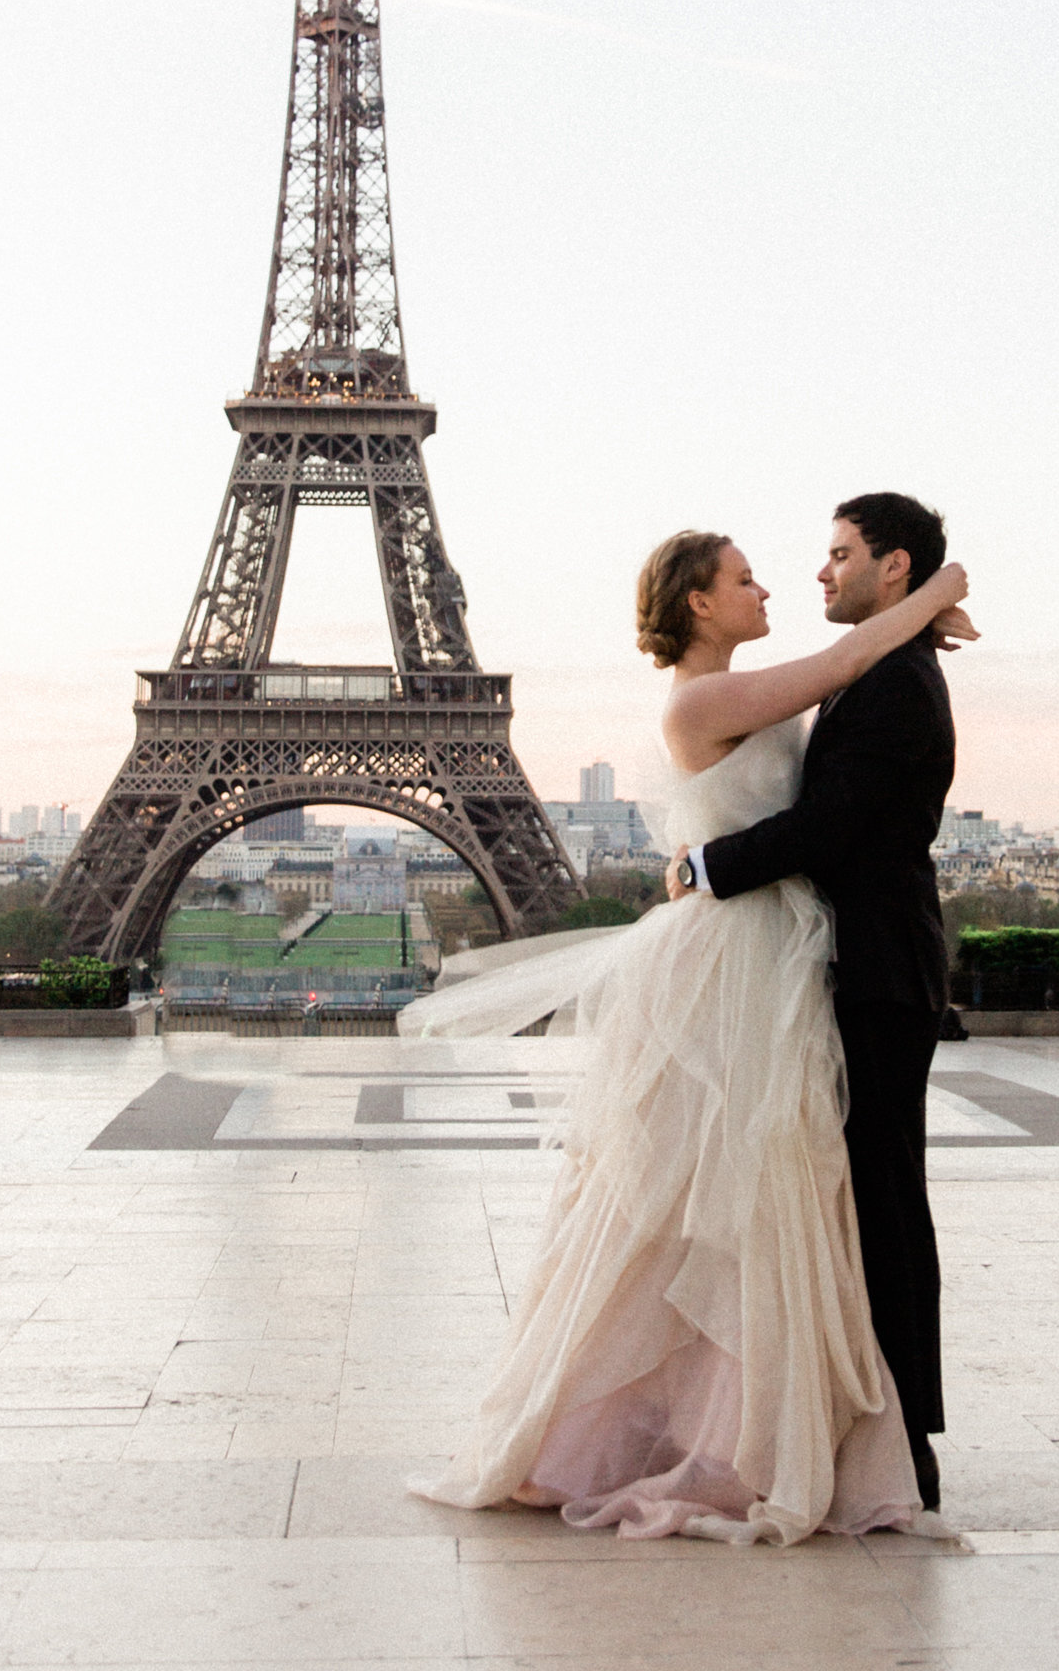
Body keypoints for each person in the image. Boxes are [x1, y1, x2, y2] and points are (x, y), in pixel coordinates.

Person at [402, 522, 973, 1545]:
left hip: (770, 954)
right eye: (744, 579)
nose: (771, 588)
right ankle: (722, 1427)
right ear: (698, 604)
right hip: (734, 959)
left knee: (753, 1186)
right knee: (725, 1186)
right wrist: (937, 592)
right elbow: (844, 660)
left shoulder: (759, 689)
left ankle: (745, 1422)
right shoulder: (708, 699)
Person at [666, 494, 959, 1514]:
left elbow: (831, 823)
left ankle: (902, 1435)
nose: (814, 575)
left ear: (894, 565)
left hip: (870, 971)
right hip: (826, 966)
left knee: (877, 1203)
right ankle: (841, 1424)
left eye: (837, 556)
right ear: (698, 602)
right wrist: (929, 606)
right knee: (846, 1203)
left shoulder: (887, 682)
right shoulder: (867, 669)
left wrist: (705, 862)